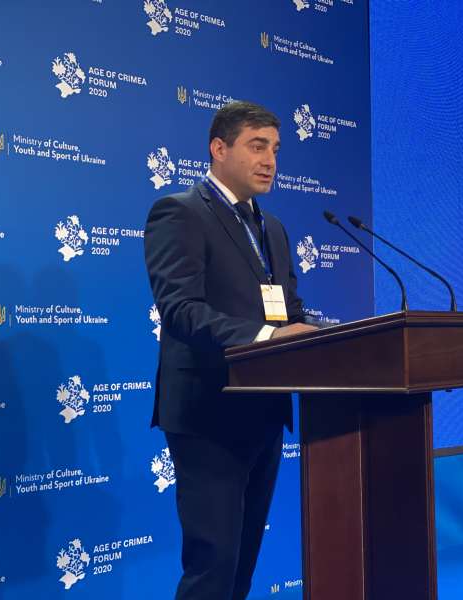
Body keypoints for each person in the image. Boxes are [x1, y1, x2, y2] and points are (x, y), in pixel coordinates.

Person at [144, 101, 317, 599]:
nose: (270, 161)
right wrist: (266, 337)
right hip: (208, 414)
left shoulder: (272, 228)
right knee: (212, 566)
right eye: (257, 146)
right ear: (219, 149)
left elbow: (288, 310)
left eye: (276, 150)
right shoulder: (180, 212)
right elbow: (181, 310)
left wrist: (322, 333)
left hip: (264, 411)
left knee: (241, 567)